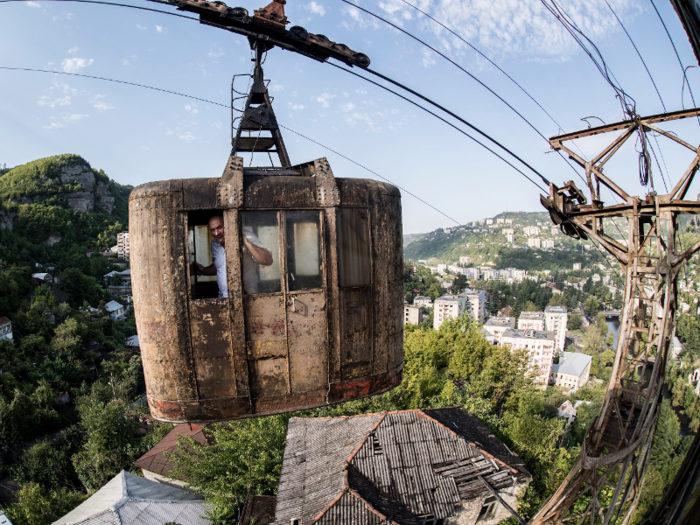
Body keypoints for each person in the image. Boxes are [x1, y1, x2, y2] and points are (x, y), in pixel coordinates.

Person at [194, 215, 273, 297]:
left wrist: (247, 243)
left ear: (228, 224)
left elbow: (268, 260)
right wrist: (203, 270)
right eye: (213, 230)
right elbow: (221, 266)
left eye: (219, 227)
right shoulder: (215, 244)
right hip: (223, 298)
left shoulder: (247, 235)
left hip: (247, 297)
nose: (216, 233)